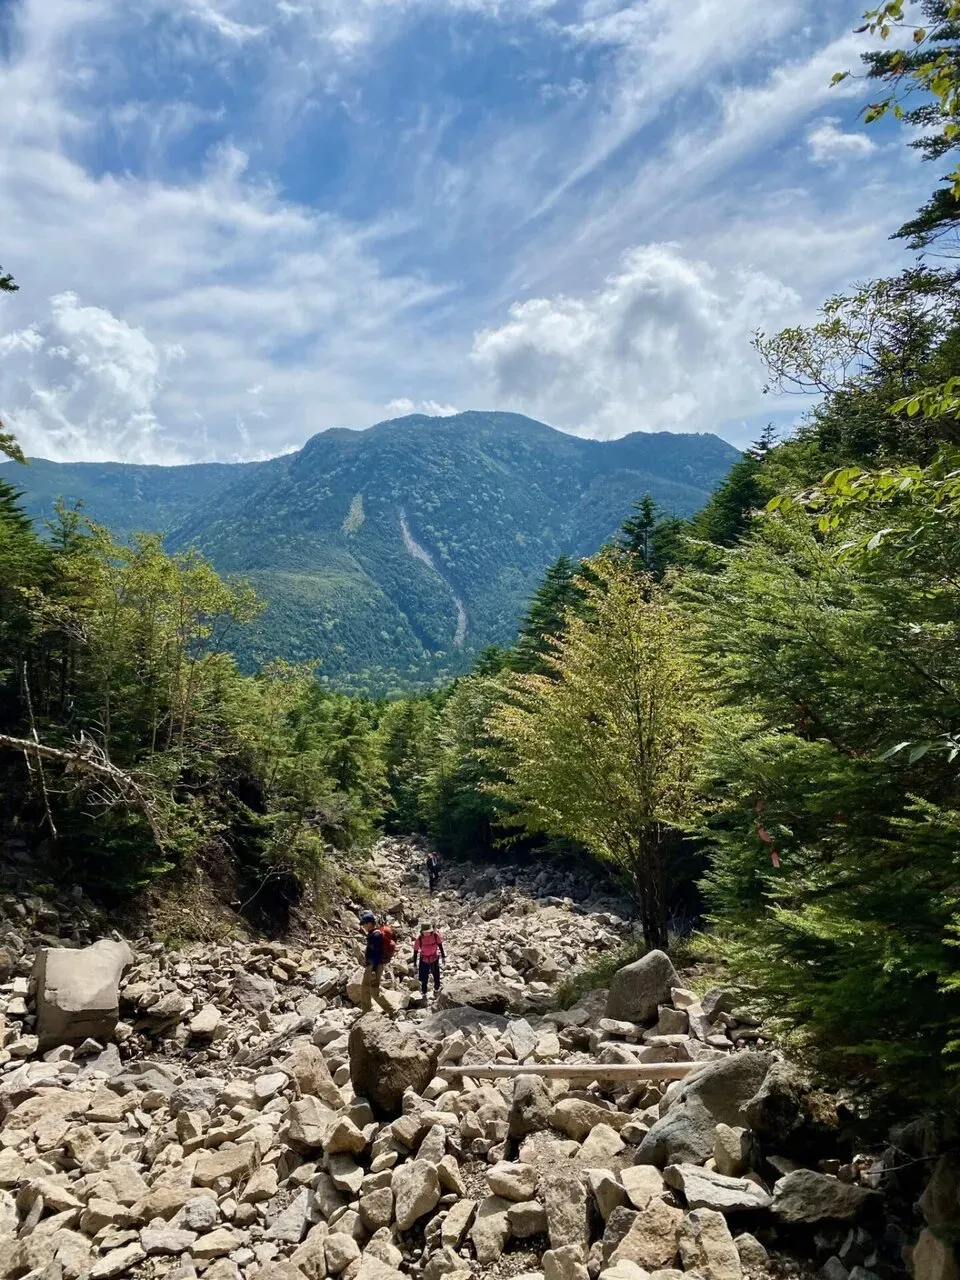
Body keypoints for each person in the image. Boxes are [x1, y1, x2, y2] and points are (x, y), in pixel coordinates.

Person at [358, 910, 392, 1014]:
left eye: (364, 924)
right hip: (371, 966)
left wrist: (373, 970)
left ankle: (392, 1010)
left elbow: (377, 953)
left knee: (374, 991)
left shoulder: (376, 936)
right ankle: (366, 1010)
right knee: (365, 988)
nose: (363, 926)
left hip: (374, 966)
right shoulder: (372, 934)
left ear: (369, 923)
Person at [413, 921, 445, 999]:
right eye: (425, 932)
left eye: (428, 932)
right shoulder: (419, 939)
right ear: (422, 931)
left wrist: (443, 957)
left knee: (436, 975)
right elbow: (415, 952)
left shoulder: (435, 936)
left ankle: (436, 989)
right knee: (424, 978)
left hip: (434, 958)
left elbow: (440, 945)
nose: (427, 933)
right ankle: (424, 993)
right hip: (424, 960)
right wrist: (414, 964)